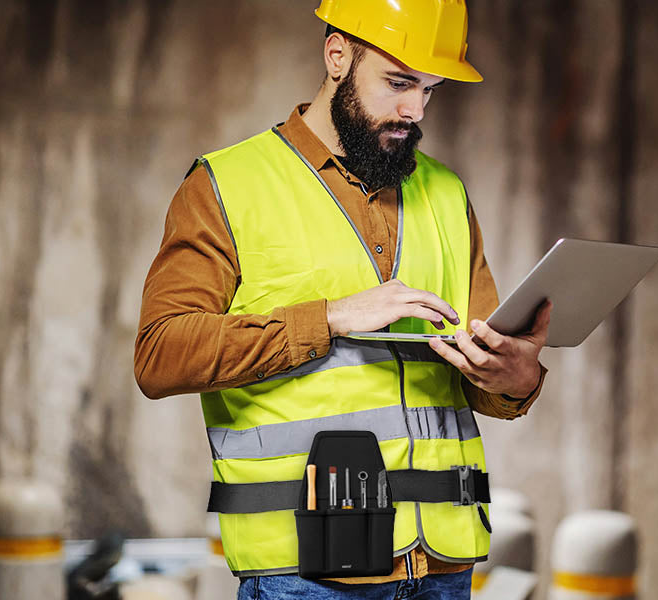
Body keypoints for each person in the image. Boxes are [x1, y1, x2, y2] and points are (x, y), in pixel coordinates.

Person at [134, 1, 551, 598]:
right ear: (337, 56)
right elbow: (159, 356)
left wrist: (515, 377)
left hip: (444, 566)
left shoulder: (447, 195)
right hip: (307, 570)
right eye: (398, 83)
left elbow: (482, 373)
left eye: (429, 90)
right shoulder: (227, 187)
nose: (415, 109)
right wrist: (329, 319)